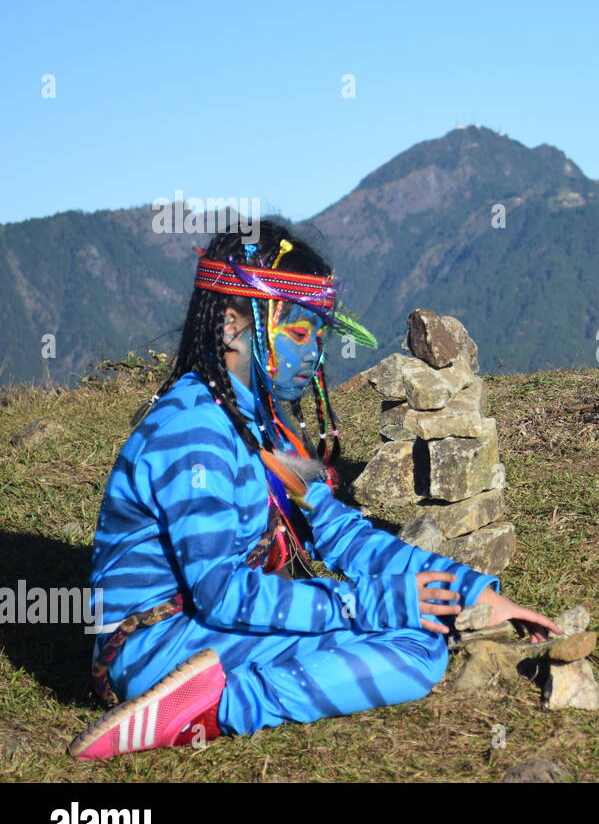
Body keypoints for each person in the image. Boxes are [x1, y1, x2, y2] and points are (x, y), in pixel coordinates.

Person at [69, 220, 560, 760]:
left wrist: (470, 593)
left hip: (205, 629)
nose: (314, 356)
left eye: (319, 336)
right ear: (233, 326)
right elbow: (219, 592)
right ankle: (208, 711)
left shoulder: (261, 425)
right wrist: (373, 602)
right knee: (413, 652)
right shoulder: (193, 431)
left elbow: (339, 531)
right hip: (155, 644)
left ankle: (211, 696)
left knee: (419, 642)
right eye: (298, 333)